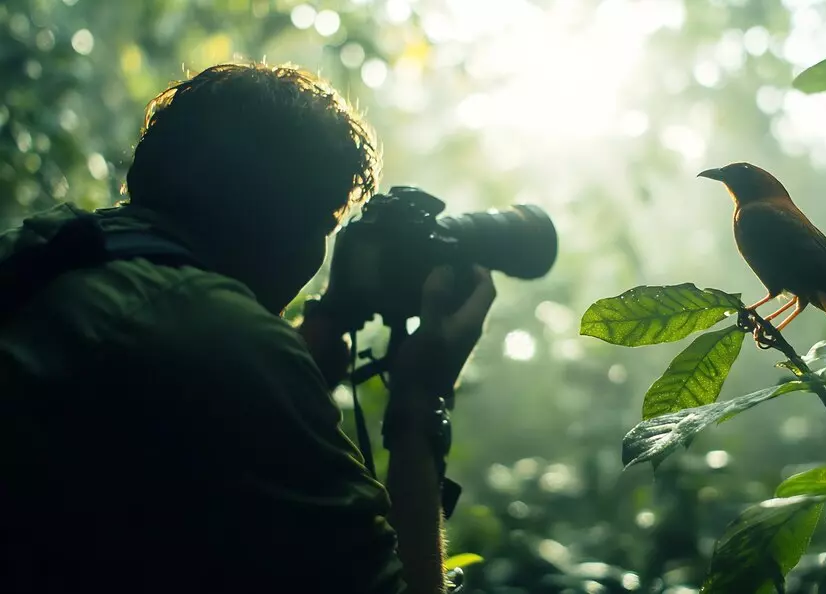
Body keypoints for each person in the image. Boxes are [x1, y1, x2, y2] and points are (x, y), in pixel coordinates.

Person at [0, 63, 495, 593]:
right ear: (292, 224)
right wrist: (422, 401)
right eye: (325, 223)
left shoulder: (48, 251)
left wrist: (328, 321)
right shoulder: (220, 338)